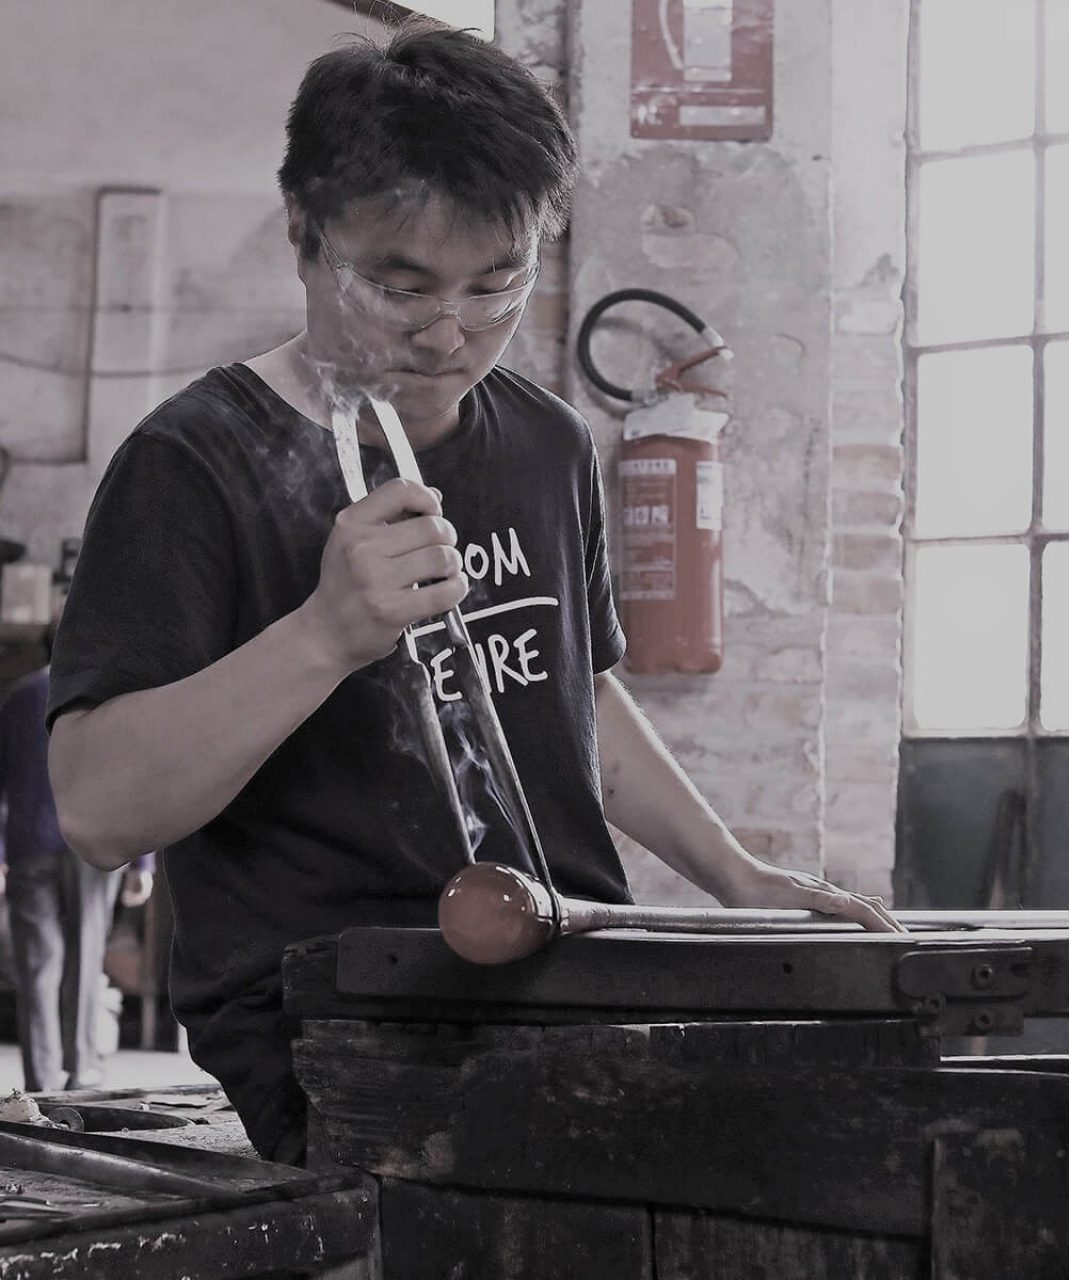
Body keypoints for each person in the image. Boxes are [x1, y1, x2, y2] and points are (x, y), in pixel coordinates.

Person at [46, 20, 902, 1165]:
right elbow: (99, 811)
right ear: (304, 237)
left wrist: (739, 877)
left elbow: (572, 701)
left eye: (497, 281)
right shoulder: (196, 461)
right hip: (332, 1015)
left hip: (558, 968)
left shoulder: (545, 441)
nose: (451, 333)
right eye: (399, 287)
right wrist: (323, 634)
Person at [0, 649, 153, 1092]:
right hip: (92, 843)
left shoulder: (17, 697)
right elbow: (133, 780)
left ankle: (42, 1078)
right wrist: (141, 861)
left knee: (37, 968)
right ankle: (82, 1068)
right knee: (86, 958)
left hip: (30, 846)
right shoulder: (106, 697)